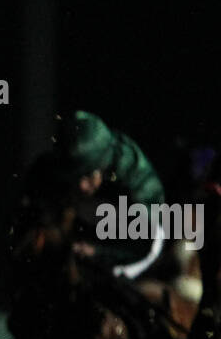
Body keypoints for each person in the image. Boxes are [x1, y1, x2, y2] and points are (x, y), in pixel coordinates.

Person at [51, 111, 171, 280]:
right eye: (76, 176)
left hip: (143, 235)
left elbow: (143, 244)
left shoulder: (136, 182)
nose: (82, 185)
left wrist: (97, 252)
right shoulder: (60, 164)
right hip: (105, 213)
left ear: (103, 165)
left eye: (88, 176)